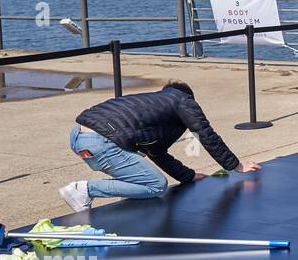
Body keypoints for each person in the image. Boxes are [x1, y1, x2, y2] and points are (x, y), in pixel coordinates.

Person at [59, 80, 261, 212]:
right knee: (156, 185)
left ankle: (87, 198)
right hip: (103, 141)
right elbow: (206, 134)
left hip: (79, 138)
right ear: (189, 97)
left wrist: (187, 176)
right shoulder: (183, 101)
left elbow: (156, 152)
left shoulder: (153, 104)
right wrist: (235, 165)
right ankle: (85, 189)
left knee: (138, 180)